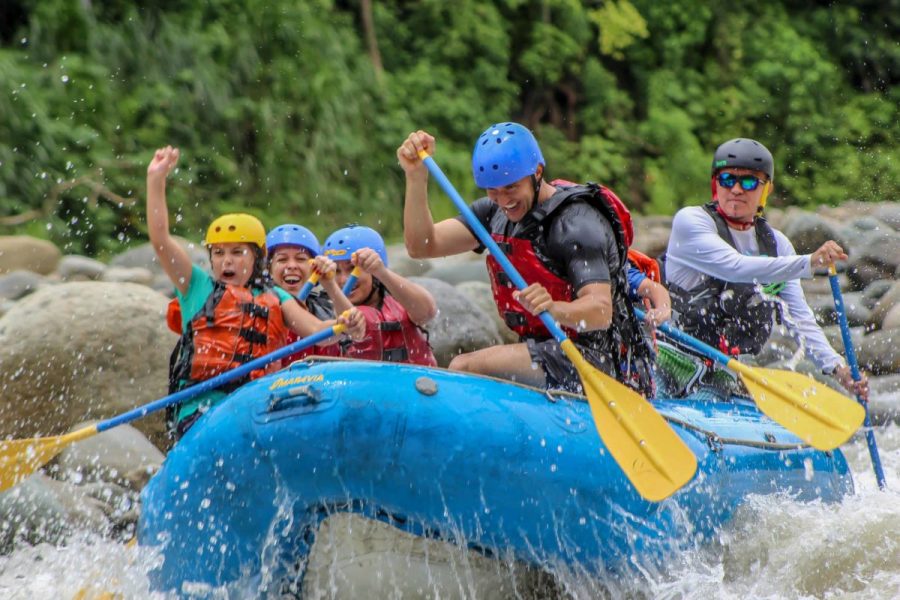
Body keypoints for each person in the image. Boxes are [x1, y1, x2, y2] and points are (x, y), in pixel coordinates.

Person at [397, 123, 658, 395]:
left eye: (511, 187)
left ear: (537, 173)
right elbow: (421, 246)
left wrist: (555, 309)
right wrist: (416, 176)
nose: (503, 200)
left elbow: (601, 312)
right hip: (542, 350)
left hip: (595, 358)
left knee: (464, 366)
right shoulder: (493, 213)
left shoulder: (576, 224)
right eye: (493, 190)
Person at [146, 146, 366, 438]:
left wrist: (345, 324)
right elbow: (161, 240)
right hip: (201, 410)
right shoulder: (196, 286)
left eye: (238, 252)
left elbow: (319, 332)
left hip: (255, 406)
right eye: (219, 253)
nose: (227, 261)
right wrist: (156, 180)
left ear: (257, 258)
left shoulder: (276, 297)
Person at [662, 138, 868, 398]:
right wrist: (809, 262)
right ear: (716, 184)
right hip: (670, 357)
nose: (736, 189)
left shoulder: (777, 245)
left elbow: (800, 321)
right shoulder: (691, 222)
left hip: (723, 369)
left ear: (766, 189)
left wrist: (839, 369)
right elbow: (734, 268)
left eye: (748, 181)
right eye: (727, 180)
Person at [323, 224, 438, 366]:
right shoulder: (325, 310)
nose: (343, 280)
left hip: (414, 382)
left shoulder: (400, 298)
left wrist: (382, 272)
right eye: (336, 271)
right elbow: (350, 324)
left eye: (352, 268)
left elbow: (427, 312)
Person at [266, 223, 353, 363]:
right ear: (269, 270)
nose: (292, 266)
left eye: (301, 259)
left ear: (314, 268)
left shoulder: (325, 310)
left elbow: (353, 327)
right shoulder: (258, 304)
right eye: (282, 259)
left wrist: (330, 284)